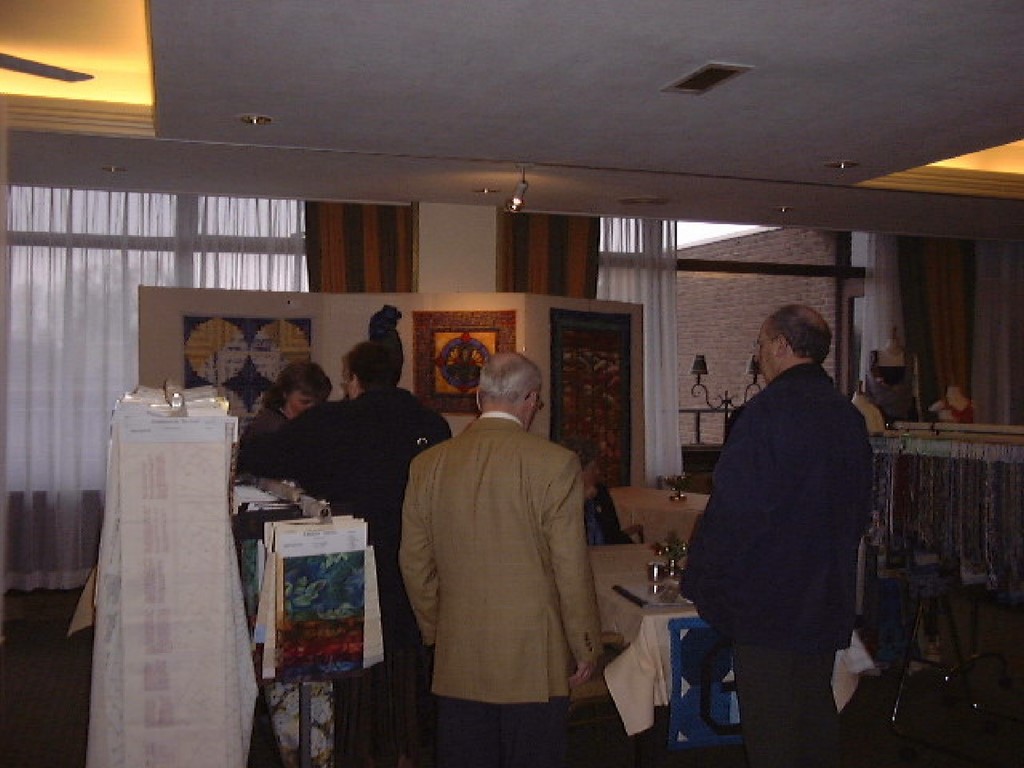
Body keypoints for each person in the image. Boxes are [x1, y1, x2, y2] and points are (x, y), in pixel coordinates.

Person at [238, 340, 451, 767]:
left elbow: (256, 456)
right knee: (404, 674)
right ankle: (405, 751)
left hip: (345, 569)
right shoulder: (433, 424)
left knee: (353, 674)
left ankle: (358, 752)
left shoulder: (330, 421)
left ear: (353, 380)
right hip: (411, 567)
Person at [682, 304, 872, 768]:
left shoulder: (764, 415)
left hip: (769, 600)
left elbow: (734, 514)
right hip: (826, 594)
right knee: (815, 715)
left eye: (761, 343)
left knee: (773, 729)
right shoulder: (848, 417)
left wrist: (702, 582)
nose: (759, 353)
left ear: (783, 345)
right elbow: (859, 508)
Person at [400, 352, 602, 768]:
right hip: (534, 658)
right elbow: (569, 566)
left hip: (459, 652)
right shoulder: (556, 463)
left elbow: (415, 563)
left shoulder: (428, 465)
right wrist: (584, 643)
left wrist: (438, 629)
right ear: (530, 399)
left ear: (479, 397)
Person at [561, 436, 635, 545]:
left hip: (609, 553)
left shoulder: (601, 493)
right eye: (593, 468)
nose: (598, 472)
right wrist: (581, 500)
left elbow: (614, 534)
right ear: (578, 472)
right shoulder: (561, 500)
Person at [242, 360, 332, 441]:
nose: (312, 408)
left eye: (318, 403)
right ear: (285, 394)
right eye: (305, 402)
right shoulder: (272, 428)